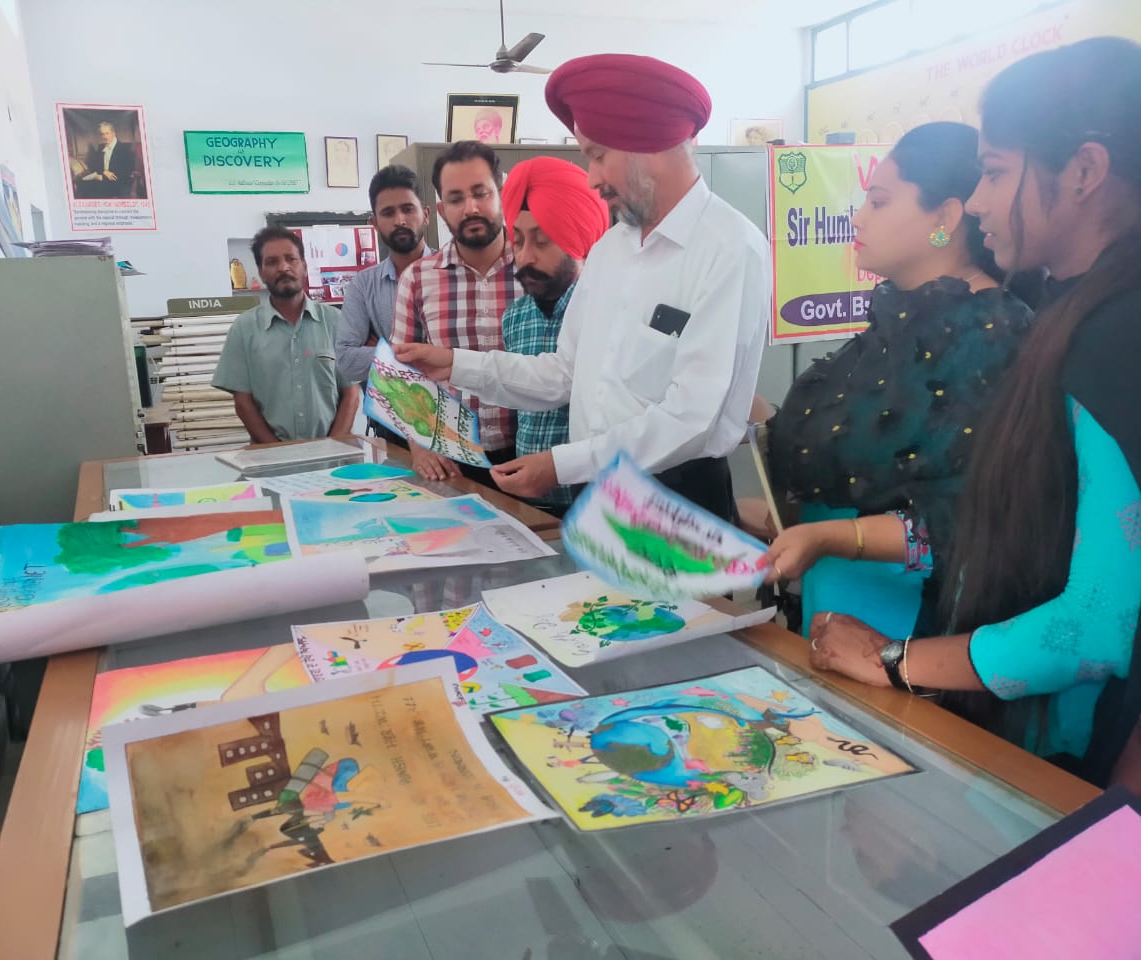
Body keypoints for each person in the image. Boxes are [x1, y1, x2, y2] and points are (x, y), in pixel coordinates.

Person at [807, 37, 1141, 787]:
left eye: (994, 172)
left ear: (1084, 171)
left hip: (1066, 748)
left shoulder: (1116, 337)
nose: (981, 201)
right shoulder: (1060, 308)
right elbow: (1011, 521)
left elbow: (1094, 627)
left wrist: (894, 660)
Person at [396, 54, 769, 521]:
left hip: (677, 501)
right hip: (596, 493)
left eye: (598, 155)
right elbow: (564, 372)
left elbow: (693, 417)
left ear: (648, 145)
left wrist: (563, 464)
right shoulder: (612, 249)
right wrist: (455, 364)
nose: (592, 178)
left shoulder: (730, 248)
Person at [763, 123, 1033, 641]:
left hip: (913, 628)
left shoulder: (992, 333)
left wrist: (833, 535)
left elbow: (978, 519)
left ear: (945, 218)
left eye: (879, 202)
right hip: (831, 602)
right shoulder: (897, 319)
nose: (858, 217)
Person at [390, 140, 522, 485]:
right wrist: (418, 444)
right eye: (456, 198)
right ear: (441, 209)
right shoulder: (418, 278)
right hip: (450, 461)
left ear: (501, 194)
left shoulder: (535, 269)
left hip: (531, 455)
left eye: (481, 193)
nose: (470, 208)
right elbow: (401, 374)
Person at [499, 156, 611, 515]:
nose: (525, 257)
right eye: (517, 241)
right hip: (527, 504)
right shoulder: (514, 317)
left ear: (577, 238)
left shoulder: (608, 313)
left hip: (595, 503)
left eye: (542, 241)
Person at [212, 226, 360, 445]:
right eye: (272, 262)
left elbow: (351, 394)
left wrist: (332, 449)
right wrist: (278, 453)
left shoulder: (336, 322)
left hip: (334, 455)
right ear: (261, 272)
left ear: (305, 267)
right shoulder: (244, 329)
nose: (283, 267)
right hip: (270, 456)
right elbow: (243, 403)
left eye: (291, 259)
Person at [335, 166, 435, 394]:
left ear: (426, 215)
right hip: (392, 414)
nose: (400, 220)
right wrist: (430, 355)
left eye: (408, 209)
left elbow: (466, 351)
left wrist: (383, 352)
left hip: (456, 411)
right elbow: (347, 362)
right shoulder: (363, 286)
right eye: (388, 213)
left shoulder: (452, 273)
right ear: (374, 223)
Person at [79, 121, 135, 198]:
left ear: (113, 133)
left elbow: (128, 170)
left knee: (89, 189)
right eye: (103, 134)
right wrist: (104, 172)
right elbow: (95, 165)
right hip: (101, 177)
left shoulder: (125, 148)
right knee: (81, 182)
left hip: (117, 182)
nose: (105, 136)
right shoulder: (101, 147)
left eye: (107, 133)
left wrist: (103, 177)